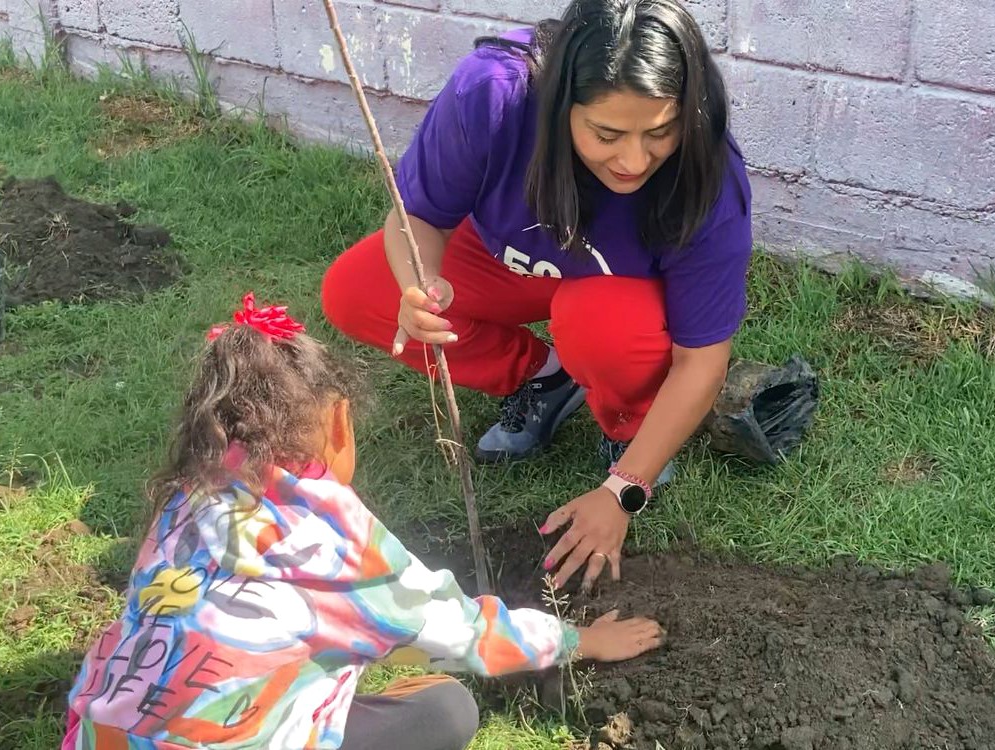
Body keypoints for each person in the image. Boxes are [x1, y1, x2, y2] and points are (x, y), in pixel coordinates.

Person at [60, 293, 663, 750]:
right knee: (450, 709)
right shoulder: (330, 546)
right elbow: (458, 631)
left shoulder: (187, 500)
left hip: (98, 732)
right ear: (340, 423)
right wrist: (580, 641)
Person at [322, 0, 753, 592]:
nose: (633, 161)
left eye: (660, 133)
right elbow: (417, 218)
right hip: (509, 259)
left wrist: (624, 492)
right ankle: (544, 377)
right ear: (557, 106)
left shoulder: (708, 177)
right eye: (606, 134)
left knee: (599, 326)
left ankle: (628, 424)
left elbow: (702, 360)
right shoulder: (495, 95)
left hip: (615, 300)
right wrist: (417, 286)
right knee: (358, 291)